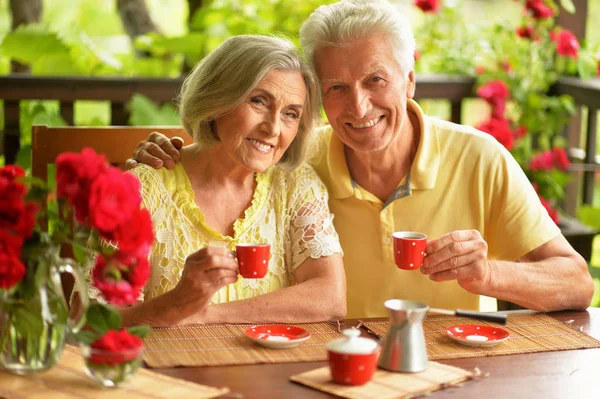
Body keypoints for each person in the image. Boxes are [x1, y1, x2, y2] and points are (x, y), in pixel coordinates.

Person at [127, 0, 593, 318]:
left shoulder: (479, 158)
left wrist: (487, 273)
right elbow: (223, 147)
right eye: (336, 88)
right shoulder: (291, 159)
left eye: (375, 80)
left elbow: (577, 283)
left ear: (409, 80)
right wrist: (162, 151)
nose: (359, 108)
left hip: (449, 368)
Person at [77, 35, 347, 327]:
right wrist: (174, 305)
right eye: (258, 101)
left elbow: (330, 298)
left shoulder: (295, 185)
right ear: (217, 101)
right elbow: (90, 320)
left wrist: (206, 315)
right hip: (163, 369)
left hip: (270, 371)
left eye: (290, 114)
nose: (273, 128)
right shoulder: (141, 192)